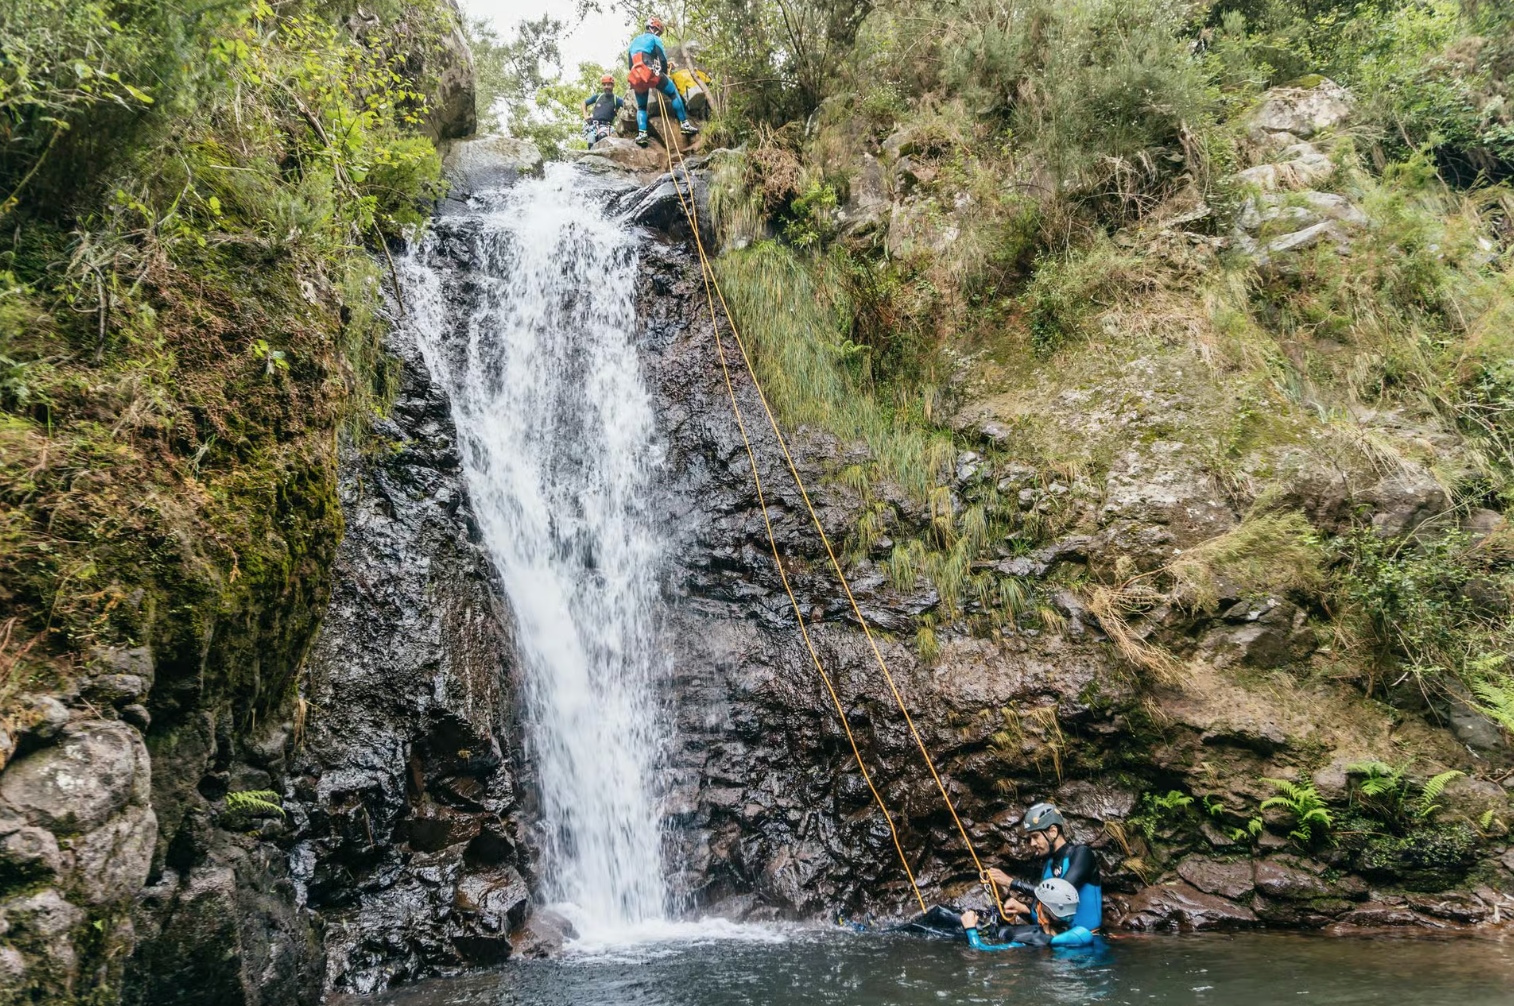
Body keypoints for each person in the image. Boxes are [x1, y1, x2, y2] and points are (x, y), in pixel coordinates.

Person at [984, 801, 1103, 933]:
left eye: (1035, 837)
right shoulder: (1048, 865)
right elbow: (1044, 917)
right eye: (1030, 838)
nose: (1032, 843)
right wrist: (1023, 909)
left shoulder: (1082, 854)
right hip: (1058, 939)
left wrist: (1011, 882)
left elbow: (1060, 895)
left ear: (1052, 831)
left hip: (1087, 942)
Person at [960, 878, 1095, 949]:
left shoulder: (1028, 943)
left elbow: (980, 949)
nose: (1035, 907)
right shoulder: (1071, 934)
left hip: (982, 933)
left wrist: (970, 929)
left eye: (1038, 904)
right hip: (995, 930)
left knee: (941, 912)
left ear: (1044, 916)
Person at [626, 16, 698, 147]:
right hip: (651, 72)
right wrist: (663, 71)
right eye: (658, 31)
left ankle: (642, 134)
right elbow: (662, 59)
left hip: (636, 76)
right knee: (673, 93)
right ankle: (685, 124)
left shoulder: (634, 42)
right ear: (654, 29)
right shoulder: (654, 38)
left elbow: (630, 63)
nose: (659, 34)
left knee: (642, 107)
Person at [582, 74, 623, 146]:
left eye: (608, 84)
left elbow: (627, 106)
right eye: (604, 85)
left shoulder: (616, 99)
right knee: (591, 142)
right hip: (594, 125)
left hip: (606, 126)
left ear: (613, 85)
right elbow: (584, 103)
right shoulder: (597, 97)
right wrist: (585, 115)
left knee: (602, 137)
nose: (606, 87)